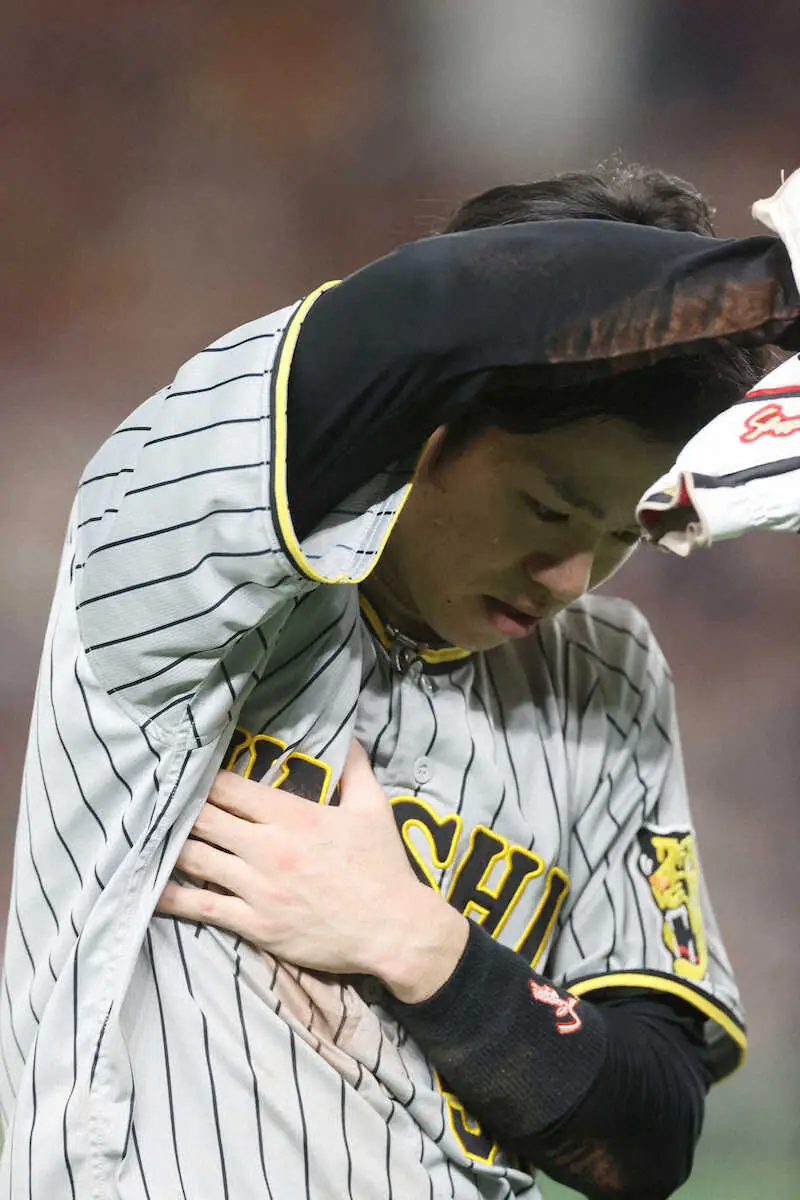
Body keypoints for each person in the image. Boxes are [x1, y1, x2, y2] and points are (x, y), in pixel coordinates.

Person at [3, 163, 800, 1200]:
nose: (570, 576)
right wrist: (765, 283)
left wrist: (426, 950)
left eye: (622, 533)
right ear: (429, 425)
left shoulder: (606, 676)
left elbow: (646, 1136)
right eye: (549, 509)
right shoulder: (182, 557)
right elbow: (429, 313)